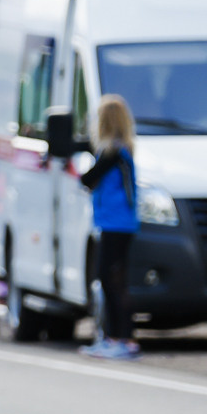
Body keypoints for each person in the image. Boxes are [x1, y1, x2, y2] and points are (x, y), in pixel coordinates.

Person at [78, 94, 142, 360]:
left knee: (109, 279)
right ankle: (122, 338)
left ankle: (118, 337)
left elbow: (88, 179)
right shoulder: (124, 149)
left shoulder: (111, 152)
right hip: (123, 222)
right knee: (117, 281)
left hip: (113, 222)